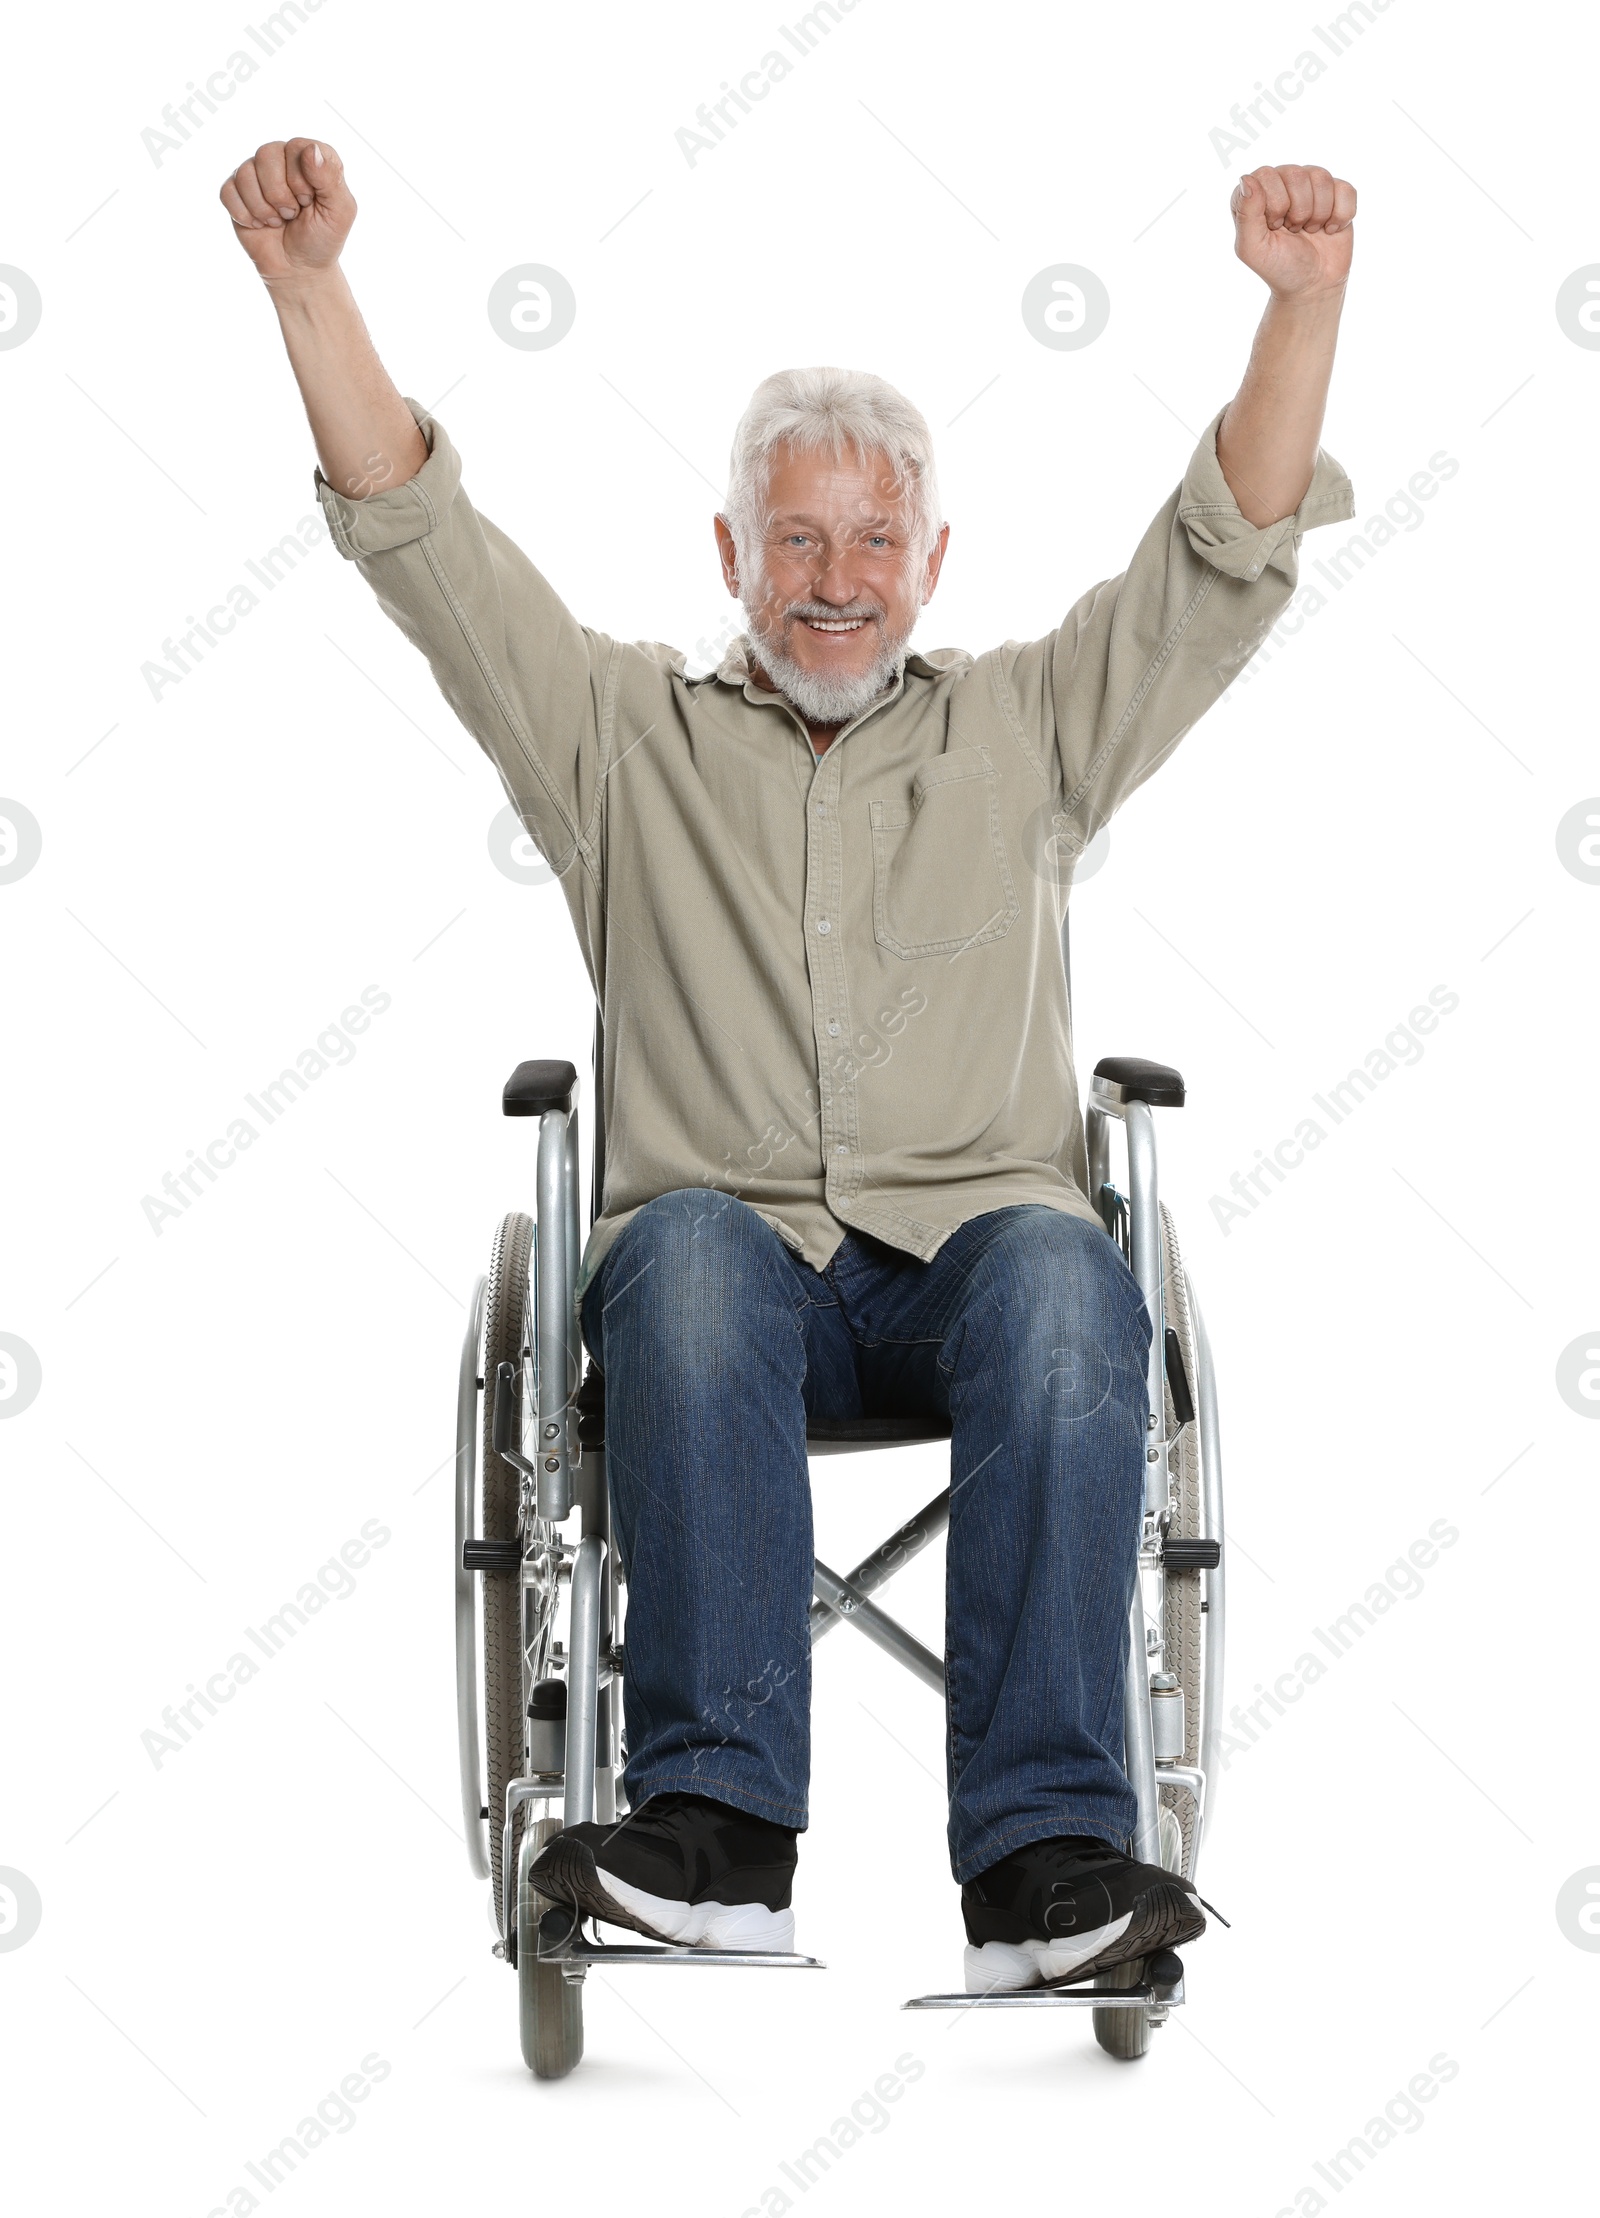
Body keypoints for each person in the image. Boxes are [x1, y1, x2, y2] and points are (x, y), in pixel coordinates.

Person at [222, 139, 1355, 1992]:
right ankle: (718, 1834)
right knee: (670, 1259)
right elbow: (423, 546)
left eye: (874, 540)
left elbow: (1218, 559)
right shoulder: (618, 740)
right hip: (726, 1276)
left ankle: (1052, 1859)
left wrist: (1298, 301)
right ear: (733, 554)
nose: (838, 581)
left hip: (974, 1268)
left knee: (1075, 1272)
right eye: (798, 539)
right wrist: (308, 289)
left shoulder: (1025, 728)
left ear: (932, 561)